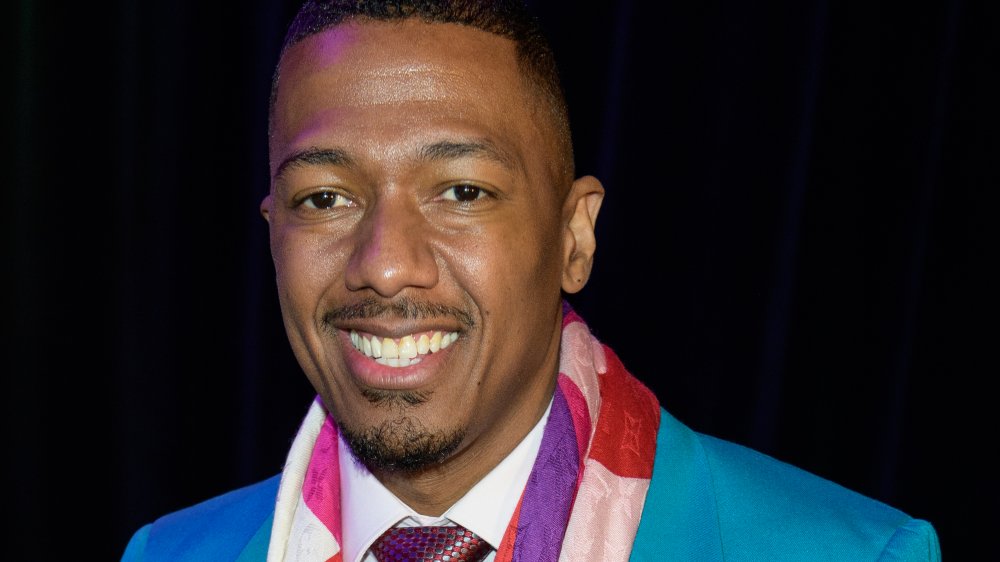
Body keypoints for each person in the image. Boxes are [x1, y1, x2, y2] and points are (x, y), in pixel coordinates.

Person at [122, 1, 941, 560]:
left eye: (462, 192)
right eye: (326, 198)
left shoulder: (848, 554)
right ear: (272, 234)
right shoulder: (167, 554)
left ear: (572, 238)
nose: (385, 262)